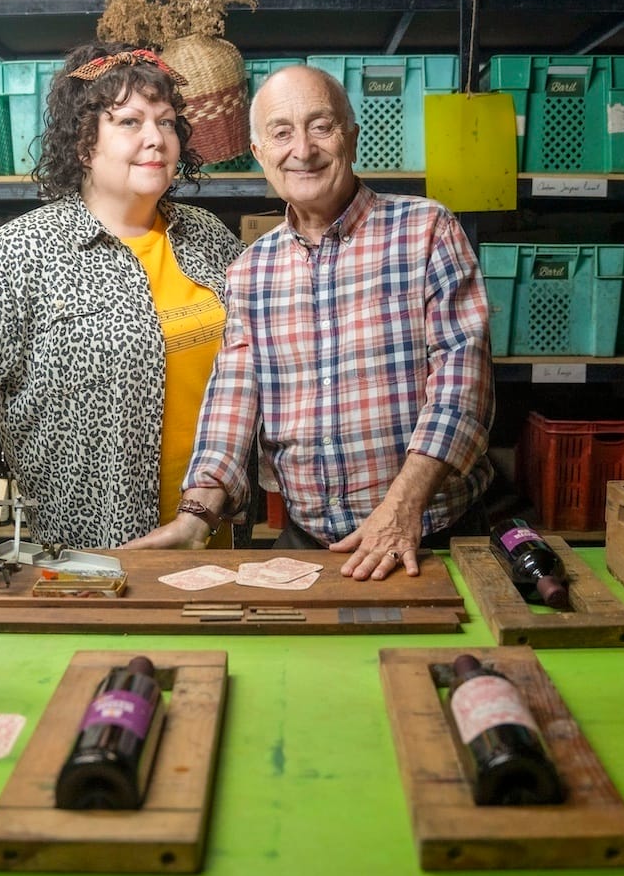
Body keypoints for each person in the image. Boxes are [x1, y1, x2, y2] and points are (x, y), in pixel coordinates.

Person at [126, 64, 495, 580]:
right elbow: (233, 397)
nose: (302, 149)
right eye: (281, 132)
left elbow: (463, 381)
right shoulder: (251, 270)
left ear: (352, 137)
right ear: (259, 154)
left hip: (431, 532)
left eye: (321, 126)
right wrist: (196, 517)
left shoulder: (426, 230)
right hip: (311, 540)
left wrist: (402, 508)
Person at [0, 41, 243, 549]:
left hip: (216, 535)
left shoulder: (209, 237)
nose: (156, 138)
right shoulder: (20, 253)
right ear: (84, 145)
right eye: (130, 122)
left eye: (166, 122)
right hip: (93, 554)